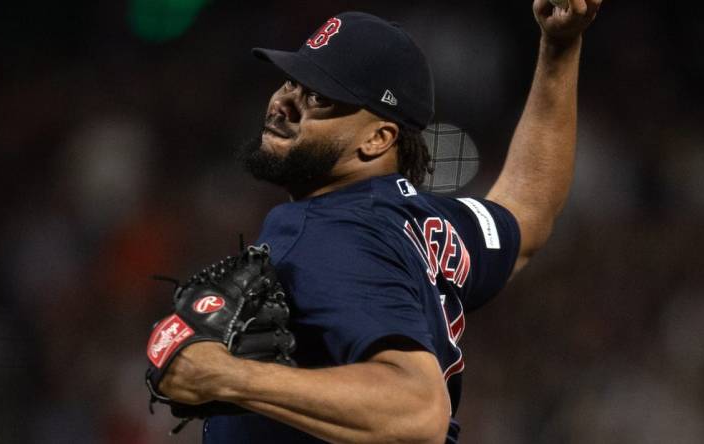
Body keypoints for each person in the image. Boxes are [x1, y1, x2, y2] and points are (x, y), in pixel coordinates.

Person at [157, 1, 602, 442]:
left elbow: (418, 408)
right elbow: (528, 212)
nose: (283, 103)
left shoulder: (334, 232)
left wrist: (228, 376)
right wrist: (559, 49)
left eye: (317, 97)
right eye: (291, 81)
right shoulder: (423, 220)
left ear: (377, 138)